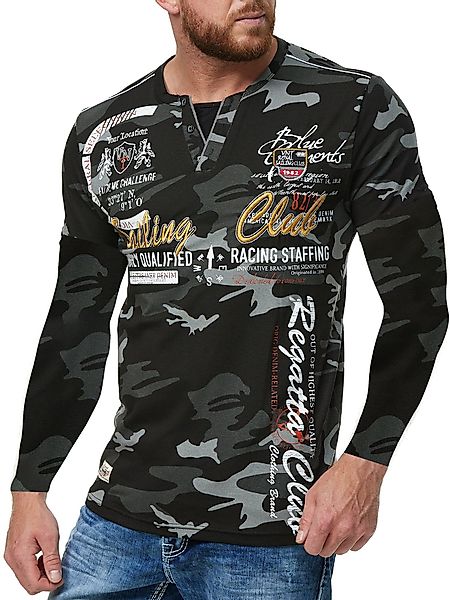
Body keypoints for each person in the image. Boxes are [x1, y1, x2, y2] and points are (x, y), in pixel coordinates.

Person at [4, 0, 448, 598]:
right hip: (118, 521)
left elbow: (418, 300)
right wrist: (30, 487)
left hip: (276, 529)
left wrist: (367, 462)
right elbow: (76, 320)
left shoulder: (354, 106)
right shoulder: (105, 133)